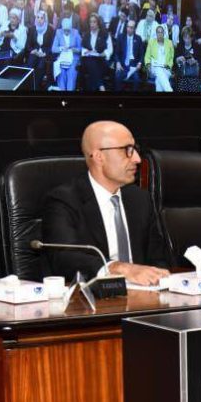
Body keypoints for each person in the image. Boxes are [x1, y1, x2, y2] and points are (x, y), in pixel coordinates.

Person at [41, 121, 170, 285]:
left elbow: (158, 258)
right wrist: (119, 269)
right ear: (99, 157)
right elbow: (65, 259)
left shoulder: (139, 199)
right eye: (127, 150)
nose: (137, 159)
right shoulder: (64, 200)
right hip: (95, 295)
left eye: (135, 149)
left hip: (144, 293)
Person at [80, 14, 112, 91]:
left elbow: (110, 49)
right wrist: (87, 51)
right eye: (90, 22)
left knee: (92, 71)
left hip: (101, 60)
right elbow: (83, 49)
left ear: (98, 23)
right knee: (91, 62)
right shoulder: (86, 35)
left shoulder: (105, 34)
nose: (92, 24)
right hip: (88, 60)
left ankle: (98, 87)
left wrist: (104, 54)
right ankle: (101, 86)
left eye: (94, 22)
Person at [25, 9, 56, 88]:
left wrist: (45, 53)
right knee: (30, 64)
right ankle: (29, 85)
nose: (39, 20)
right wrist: (33, 50)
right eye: (38, 17)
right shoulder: (32, 29)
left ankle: (36, 86)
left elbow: (52, 45)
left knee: (40, 66)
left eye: (42, 18)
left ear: (45, 19)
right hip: (35, 51)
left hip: (45, 52)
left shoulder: (50, 30)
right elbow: (28, 44)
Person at [51, 16, 82, 91]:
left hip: (73, 59)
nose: (66, 32)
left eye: (68, 31)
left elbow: (81, 48)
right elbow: (53, 49)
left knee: (71, 76)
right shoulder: (58, 32)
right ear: (62, 29)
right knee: (61, 75)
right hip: (62, 59)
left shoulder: (75, 33)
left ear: (71, 28)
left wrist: (75, 50)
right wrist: (61, 48)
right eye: (65, 30)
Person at [113, 19, 144, 91]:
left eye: (131, 27)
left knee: (137, 79)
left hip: (133, 66)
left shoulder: (138, 38)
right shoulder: (121, 37)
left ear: (134, 29)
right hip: (122, 65)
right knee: (117, 77)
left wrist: (139, 63)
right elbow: (116, 53)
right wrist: (118, 62)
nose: (129, 29)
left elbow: (141, 54)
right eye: (128, 27)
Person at [144, 25, 174, 92]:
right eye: (158, 32)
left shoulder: (169, 43)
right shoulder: (151, 42)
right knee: (158, 69)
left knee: (159, 83)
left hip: (166, 68)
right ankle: (169, 90)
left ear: (164, 33)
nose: (160, 34)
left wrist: (168, 65)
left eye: (161, 32)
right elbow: (147, 56)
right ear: (156, 33)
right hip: (154, 67)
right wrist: (148, 65)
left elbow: (171, 58)